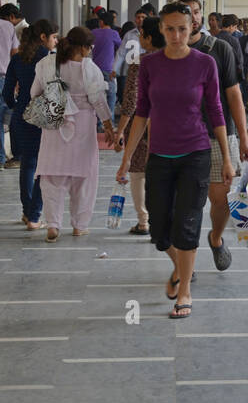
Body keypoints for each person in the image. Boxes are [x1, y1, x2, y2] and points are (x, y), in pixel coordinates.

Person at [115, 0, 233, 320]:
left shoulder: (205, 63)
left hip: (195, 152)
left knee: (188, 221)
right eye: (170, 29)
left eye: (182, 29)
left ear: (192, 26)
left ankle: (184, 291)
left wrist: (226, 158)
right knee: (159, 230)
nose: (177, 35)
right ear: (162, 29)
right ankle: (180, 268)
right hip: (159, 156)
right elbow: (142, 112)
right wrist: (126, 159)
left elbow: (216, 111)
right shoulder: (150, 64)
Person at [181, 0, 248, 272]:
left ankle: (215, 237)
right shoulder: (167, 53)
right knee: (185, 205)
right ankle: (185, 262)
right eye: (189, 12)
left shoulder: (220, 49)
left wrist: (244, 137)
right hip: (181, 137)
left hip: (218, 134)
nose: (195, 17)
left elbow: (234, 94)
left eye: (198, 11)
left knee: (221, 199)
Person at [33, 26, 115, 241]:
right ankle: (79, 225)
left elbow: (34, 93)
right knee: (84, 177)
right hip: (83, 127)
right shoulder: (89, 68)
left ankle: (53, 225)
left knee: (52, 177)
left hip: (54, 124)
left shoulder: (46, 64)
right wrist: (108, 126)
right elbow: (98, 100)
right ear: (84, 47)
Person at [2, 18, 59, 229]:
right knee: (44, 166)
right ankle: (35, 215)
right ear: (43, 37)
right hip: (42, 117)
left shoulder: (17, 59)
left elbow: (7, 93)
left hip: (20, 116)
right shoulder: (48, 59)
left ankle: (27, 212)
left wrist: (17, 106)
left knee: (27, 164)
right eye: (54, 36)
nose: (56, 41)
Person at [114, 17, 164, 234]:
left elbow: (131, 101)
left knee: (137, 171)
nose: (140, 37)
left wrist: (121, 130)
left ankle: (144, 221)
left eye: (142, 33)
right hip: (169, 126)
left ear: (150, 37)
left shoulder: (141, 63)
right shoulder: (177, 60)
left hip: (142, 126)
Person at [88, 14, 122, 131]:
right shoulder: (114, 34)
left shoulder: (93, 33)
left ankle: (98, 124)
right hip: (109, 69)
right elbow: (120, 48)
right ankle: (109, 123)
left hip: (95, 69)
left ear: (101, 22)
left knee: (96, 96)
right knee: (111, 96)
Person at [0, 2, 22, 169]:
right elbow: (15, 54)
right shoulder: (9, 27)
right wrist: (17, 80)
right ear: (11, 17)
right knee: (8, 118)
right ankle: (4, 158)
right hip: (5, 78)